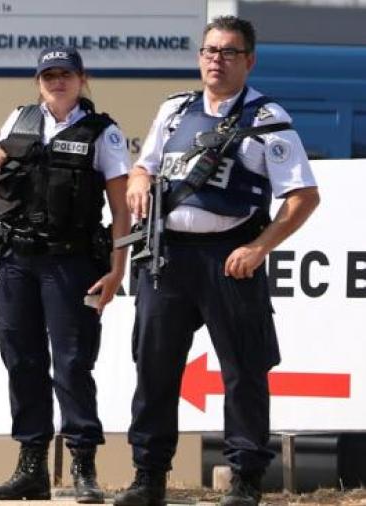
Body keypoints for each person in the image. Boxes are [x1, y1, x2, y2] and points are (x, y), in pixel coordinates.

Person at [114, 16, 319, 506]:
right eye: (210, 51)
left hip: (230, 259)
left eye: (229, 52)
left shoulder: (268, 119)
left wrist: (259, 248)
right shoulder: (175, 110)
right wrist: (140, 179)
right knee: (155, 369)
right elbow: (145, 164)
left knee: (244, 370)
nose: (217, 60)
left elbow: (303, 196)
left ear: (249, 60)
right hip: (168, 258)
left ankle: (246, 477)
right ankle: (149, 477)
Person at [0, 46, 130, 502]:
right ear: (38, 81)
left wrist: (118, 271)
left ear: (82, 79)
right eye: (48, 75)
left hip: (72, 261)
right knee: (21, 361)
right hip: (17, 260)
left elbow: (121, 209)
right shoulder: (19, 120)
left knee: (72, 363)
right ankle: (31, 467)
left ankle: (84, 467)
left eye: (65, 74)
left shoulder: (103, 132)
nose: (56, 82)